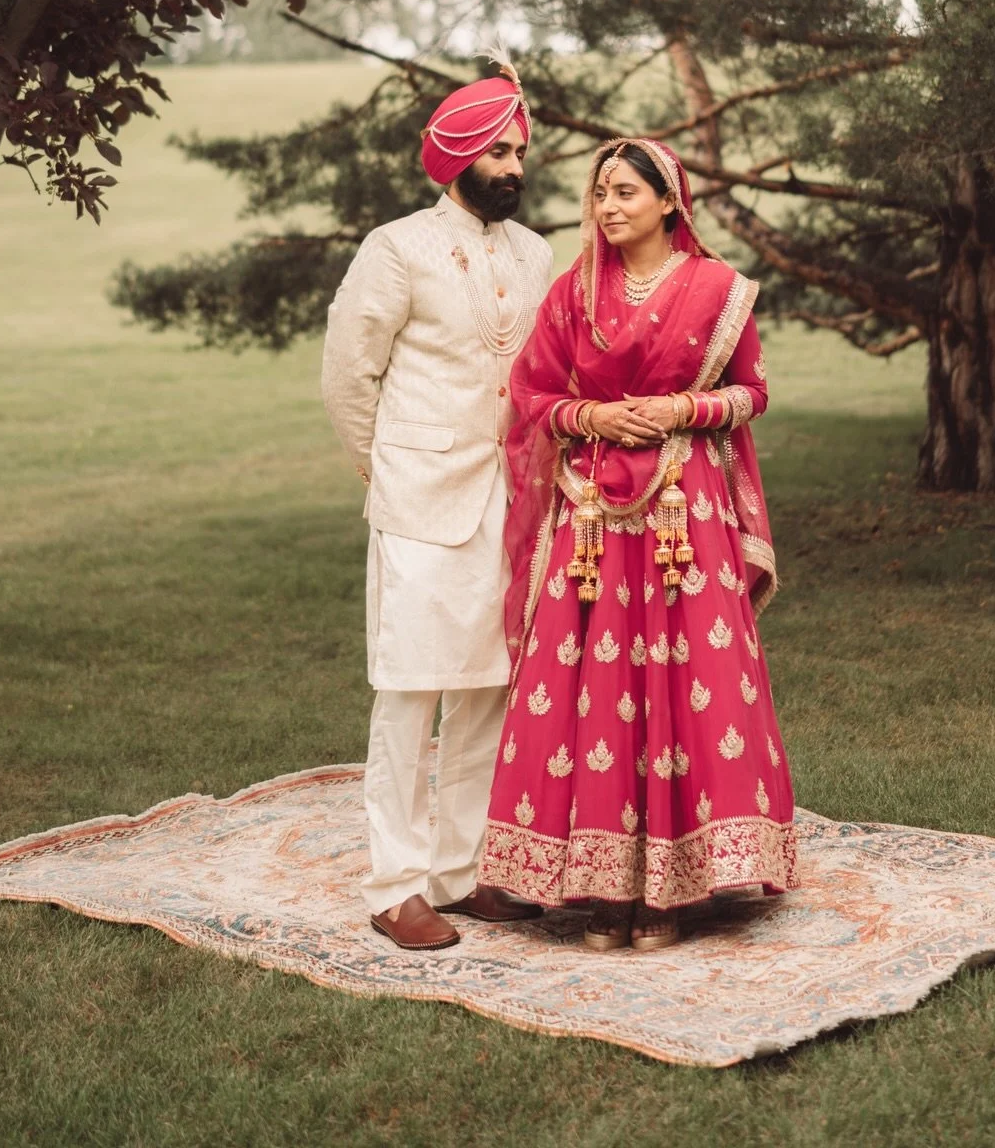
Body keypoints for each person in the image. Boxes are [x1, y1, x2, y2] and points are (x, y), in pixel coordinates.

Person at [480, 137, 797, 951]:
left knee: (687, 682)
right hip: (591, 512)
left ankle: (672, 891)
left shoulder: (718, 290)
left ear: (668, 201)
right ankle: (602, 886)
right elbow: (533, 392)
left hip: (684, 515)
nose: (609, 207)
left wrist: (682, 410)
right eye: (600, 193)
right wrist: (591, 416)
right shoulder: (573, 294)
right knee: (593, 683)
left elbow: (752, 392)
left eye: (626, 192)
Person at [321, 68, 553, 950]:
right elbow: (349, 375)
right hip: (419, 497)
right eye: (498, 151)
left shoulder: (535, 254)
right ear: (456, 158)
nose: (514, 166)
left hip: (512, 498)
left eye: (520, 151)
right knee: (410, 692)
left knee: (487, 686)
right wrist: (382, 470)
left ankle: (459, 873)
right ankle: (394, 886)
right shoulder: (396, 248)